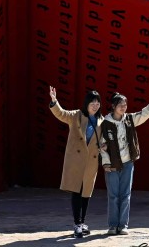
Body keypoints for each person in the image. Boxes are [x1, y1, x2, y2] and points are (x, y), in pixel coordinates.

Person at [99, 87, 149, 235]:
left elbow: (144, 114)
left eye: (125, 104)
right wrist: (106, 163)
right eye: (120, 105)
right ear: (113, 106)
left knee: (125, 195)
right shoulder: (105, 123)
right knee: (113, 196)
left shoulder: (129, 119)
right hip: (112, 164)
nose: (123, 107)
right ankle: (113, 225)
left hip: (128, 162)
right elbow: (102, 146)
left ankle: (123, 225)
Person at [48, 85, 103, 237]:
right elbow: (61, 114)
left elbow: (102, 141)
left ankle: (83, 222)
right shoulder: (76, 116)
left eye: (97, 103)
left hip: (91, 162)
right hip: (77, 161)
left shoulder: (101, 121)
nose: (95, 105)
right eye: (92, 103)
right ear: (86, 103)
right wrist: (54, 101)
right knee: (77, 191)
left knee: (86, 193)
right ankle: (77, 224)